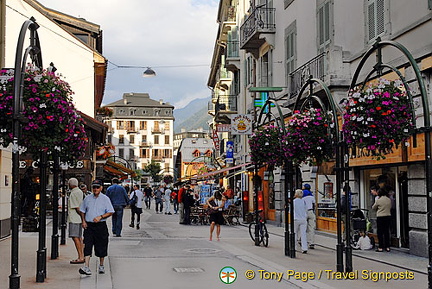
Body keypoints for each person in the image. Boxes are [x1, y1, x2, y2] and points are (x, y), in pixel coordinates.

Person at [78, 179, 114, 275]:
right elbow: (82, 210)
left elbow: (110, 211)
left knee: (101, 245)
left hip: (100, 225)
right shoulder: (87, 198)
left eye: (97, 187)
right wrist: (83, 221)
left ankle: (101, 265)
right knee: (87, 245)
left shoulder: (105, 199)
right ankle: (86, 267)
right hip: (89, 226)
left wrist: (101, 217)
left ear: (101, 188)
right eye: (94, 187)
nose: (95, 189)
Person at [68, 178, 85, 264]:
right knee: (79, 237)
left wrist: (83, 218)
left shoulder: (73, 193)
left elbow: (77, 207)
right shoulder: (80, 192)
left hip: (74, 218)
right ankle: (82, 255)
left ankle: (80, 256)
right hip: (78, 219)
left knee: (75, 237)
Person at [372, 187, 392, 252]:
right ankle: (387, 247)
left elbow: (373, 207)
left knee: (380, 232)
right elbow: (390, 207)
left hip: (380, 217)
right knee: (386, 232)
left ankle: (380, 247)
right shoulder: (389, 200)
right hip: (388, 216)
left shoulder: (378, 200)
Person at [293, 189, 308, 254]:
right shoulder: (303, 201)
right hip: (303, 219)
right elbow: (306, 210)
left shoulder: (294, 201)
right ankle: (304, 248)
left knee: (295, 233)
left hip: (296, 219)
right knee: (303, 234)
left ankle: (294, 247)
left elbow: (291, 210)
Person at [302, 184, 316, 249]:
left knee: (302, 227)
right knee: (311, 228)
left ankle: (300, 239)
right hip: (310, 211)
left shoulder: (302, 196)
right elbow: (314, 205)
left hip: (304, 212)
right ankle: (311, 242)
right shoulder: (311, 196)